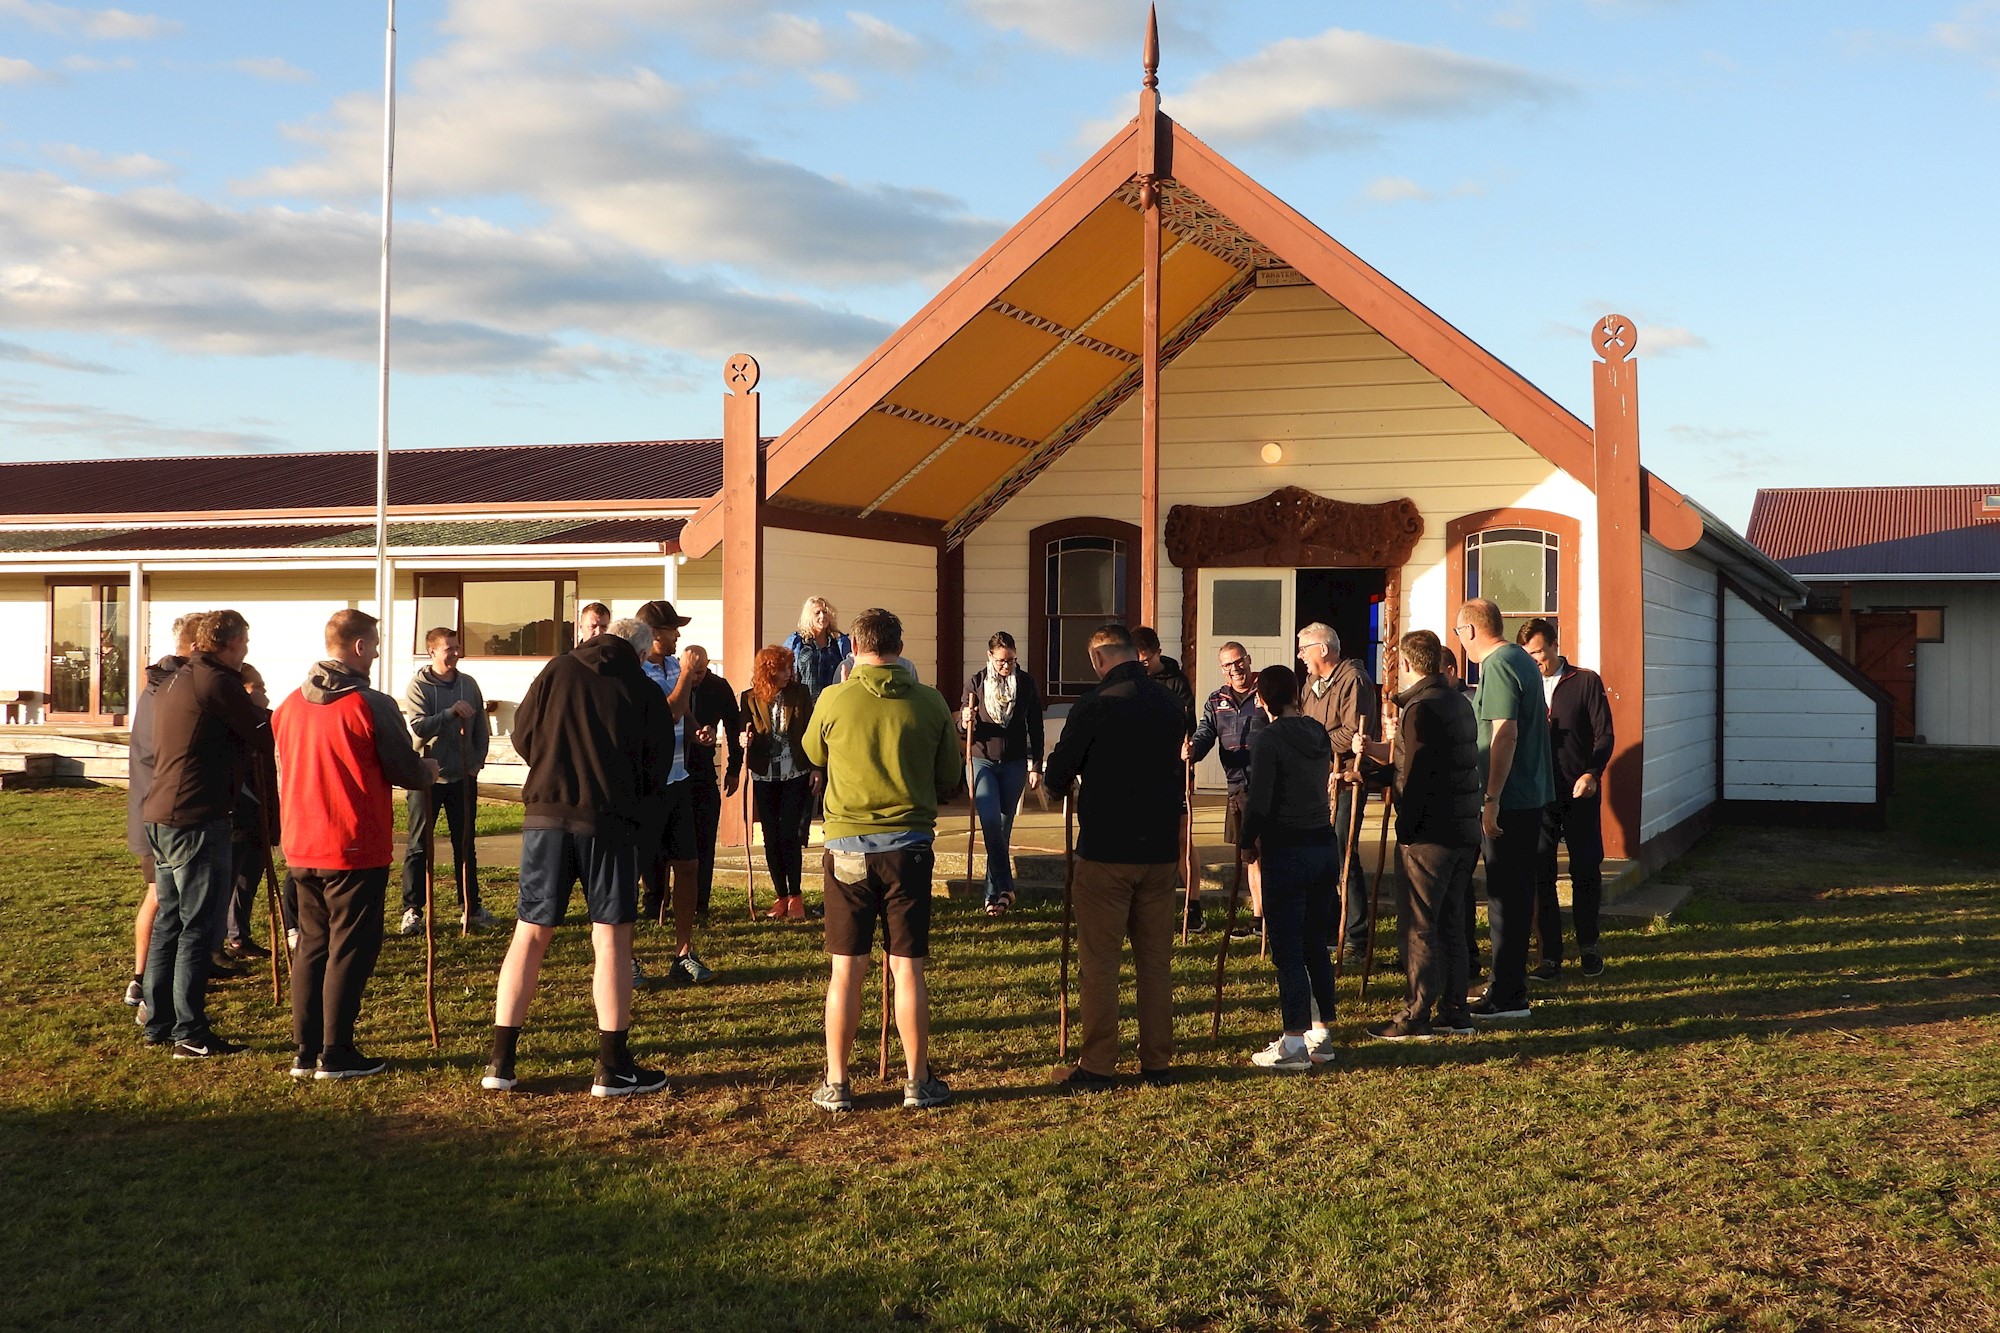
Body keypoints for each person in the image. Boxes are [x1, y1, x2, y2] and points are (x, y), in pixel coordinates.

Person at [483, 607, 673, 1097]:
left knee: (529, 933)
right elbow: (656, 770)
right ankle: (612, 1066)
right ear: (639, 651)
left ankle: (500, 1062)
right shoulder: (644, 691)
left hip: (545, 815)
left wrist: (553, 768)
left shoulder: (556, 669)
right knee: (611, 940)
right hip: (608, 822)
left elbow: (522, 732)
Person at [800, 607, 958, 1113]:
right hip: (908, 846)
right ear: (900, 645)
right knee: (907, 968)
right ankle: (917, 1081)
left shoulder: (833, 698)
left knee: (846, 971)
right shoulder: (930, 702)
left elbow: (812, 754)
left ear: (853, 648)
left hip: (847, 846)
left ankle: (838, 1082)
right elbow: (950, 773)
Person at [274, 611, 439, 1080]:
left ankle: (306, 1050)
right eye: (377, 643)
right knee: (350, 949)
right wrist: (427, 771)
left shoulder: (288, 705)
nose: (380, 651)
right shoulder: (371, 704)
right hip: (351, 842)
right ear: (361, 647)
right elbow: (404, 769)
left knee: (311, 946)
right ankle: (336, 1050)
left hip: (301, 844)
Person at [1042, 624, 1187, 1092]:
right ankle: (1157, 1061)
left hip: (1106, 850)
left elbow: (1060, 770)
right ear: (1135, 656)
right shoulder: (1170, 703)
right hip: (1161, 849)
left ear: (1098, 660)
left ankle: (1099, 1064)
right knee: (1154, 962)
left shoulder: (1094, 705)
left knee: (1100, 963)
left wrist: (1053, 787)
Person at [140, 609, 267, 1058]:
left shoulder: (178, 677)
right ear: (229, 643)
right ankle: (190, 1033)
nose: (247, 650)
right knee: (198, 927)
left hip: (160, 812)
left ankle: (158, 1021)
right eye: (244, 642)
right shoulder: (217, 681)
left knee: (170, 923)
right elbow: (259, 734)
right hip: (195, 816)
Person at [1354, 631, 1482, 1040]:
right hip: (1463, 826)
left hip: (1430, 833)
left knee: (1420, 926)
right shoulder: (1459, 702)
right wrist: (1369, 773)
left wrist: (1407, 831)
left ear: (1408, 665)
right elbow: (1419, 766)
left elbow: (1420, 774)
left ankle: (1416, 1013)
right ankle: (1456, 1010)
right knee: (1451, 922)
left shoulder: (1420, 709)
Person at [1235, 664, 1339, 1072]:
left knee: (1288, 948)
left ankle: (1294, 1042)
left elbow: (1261, 798)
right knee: (1315, 942)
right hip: (1321, 844)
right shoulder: (1317, 732)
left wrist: (1247, 841)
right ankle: (1321, 1034)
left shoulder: (1269, 738)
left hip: (1288, 848)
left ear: (1262, 700)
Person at [1454, 598, 1554, 1020]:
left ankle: (1508, 993)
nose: (1460, 642)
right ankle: (1509, 984)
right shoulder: (1522, 660)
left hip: (1510, 801)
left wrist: (1490, 799)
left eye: (1459, 634)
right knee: (1514, 894)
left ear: (1472, 631)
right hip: (1528, 797)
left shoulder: (1496, 665)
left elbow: (1505, 734)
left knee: (1504, 898)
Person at [1519, 617, 1613, 980]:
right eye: (1528, 655)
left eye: (1540, 652)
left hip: (1579, 790)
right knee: (1540, 870)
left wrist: (1592, 773)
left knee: (1585, 868)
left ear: (1555, 645)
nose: (1536, 661)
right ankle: (1549, 955)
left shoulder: (1585, 681)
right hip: (1538, 794)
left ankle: (1589, 946)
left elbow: (1605, 734)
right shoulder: (1523, 685)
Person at [399, 627, 493, 936]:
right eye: (447, 649)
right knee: (419, 846)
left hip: (462, 776)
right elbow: (417, 728)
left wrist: (476, 764)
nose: (454, 653)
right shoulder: (419, 687)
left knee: (465, 844)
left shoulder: (468, 685)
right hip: (426, 778)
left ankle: (471, 906)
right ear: (432, 653)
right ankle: (413, 910)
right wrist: (449, 715)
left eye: (456, 647)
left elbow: (481, 728)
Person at [1294, 622, 1379, 963]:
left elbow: (1353, 731)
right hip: (1317, 780)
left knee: (1344, 853)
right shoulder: (1312, 683)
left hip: (1345, 780)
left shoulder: (1353, 680)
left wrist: (1312, 743)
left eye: (1305, 649)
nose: (1301, 656)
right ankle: (1330, 927)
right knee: (1320, 855)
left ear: (1324, 649)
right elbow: (1302, 719)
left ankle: (1356, 937)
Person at [632, 600, 707, 984]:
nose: (678, 635)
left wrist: (697, 728)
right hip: (648, 786)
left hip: (678, 780)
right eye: (671, 629)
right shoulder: (637, 669)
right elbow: (668, 711)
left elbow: (684, 712)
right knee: (634, 872)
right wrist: (686, 679)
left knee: (689, 867)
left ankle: (683, 953)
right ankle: (625, 957)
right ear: (653, 634)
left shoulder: (675, 666)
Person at [123, 614, 194, 1009]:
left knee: (167, 899)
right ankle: (142, 980)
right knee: (160, 898)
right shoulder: (168, 688)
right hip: (159, 811)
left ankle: (155, 980)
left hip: (156, 808)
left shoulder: (165, 684)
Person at [959, 631, 1045, 916]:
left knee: (1002, 831)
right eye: (1000, 661)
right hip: (982, 761)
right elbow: (963, 726)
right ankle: (1007, 886)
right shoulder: (976, 684)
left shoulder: (1026, 684)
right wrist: (964, 719)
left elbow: (1036, 726)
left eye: (1011, 660)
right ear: (989, 657)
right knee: (991, 825)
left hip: (1014, 763)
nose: (1006, 666)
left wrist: (1036, 764)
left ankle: (993, 896)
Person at [1187, 642, 1266, 937]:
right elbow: (1206, 732)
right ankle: (1259, 919)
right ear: (1222, 669)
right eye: (1228, 665)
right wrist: (1193, 749)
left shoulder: (1266, 691)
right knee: (1251, 854)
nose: (1235, 669)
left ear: (1248, 659)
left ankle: (1275, 917)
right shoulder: (1216, 700)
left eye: (1239, 662)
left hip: (1270, 786)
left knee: (1273, 853)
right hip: (1238, 787)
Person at [740, 645, 819, 920]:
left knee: (789, 835)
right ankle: (780, 896)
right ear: (769, 671)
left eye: (790, 667)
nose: (790, 673)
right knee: (771, 837)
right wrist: (744, 740)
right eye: (784, 668)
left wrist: (815, 768)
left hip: (795, 772)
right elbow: (744, 731)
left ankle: (796, 895)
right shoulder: (749, 699)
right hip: (764, 774)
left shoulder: (800, 694)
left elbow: (811, 732)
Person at [676, 643, 744, 920]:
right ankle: (657, 902)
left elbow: (733, 726)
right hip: (671, 772)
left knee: (704, 841)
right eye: (691, 672)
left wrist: (733, 769)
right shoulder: (672, 682)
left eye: (701, 672)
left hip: (703, 771)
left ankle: (700, 904)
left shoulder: (718, 687)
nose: (695, 678)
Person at [219, 661, 278, 965]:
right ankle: (214, 945)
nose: (265, 692)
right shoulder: (233, 723)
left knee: (249, 878)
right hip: (239, 814)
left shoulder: (265, 720)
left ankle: (238, 934)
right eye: (258, 686)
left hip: (260, 814)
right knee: (226, 880)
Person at [1133, 627, 1196, 733]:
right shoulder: (1131, 680)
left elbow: (1188, 721)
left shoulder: (1177, 681)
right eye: (1136, 662)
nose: (1142, 667)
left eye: (1145, 661)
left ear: (1158, 652)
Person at [787, 596, 850, 700]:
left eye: (825, 612)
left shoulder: (839, 642)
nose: (822, 616)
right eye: (817, 613)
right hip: (804, 706)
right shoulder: (797, 642)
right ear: (808, 616)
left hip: (831, 702)